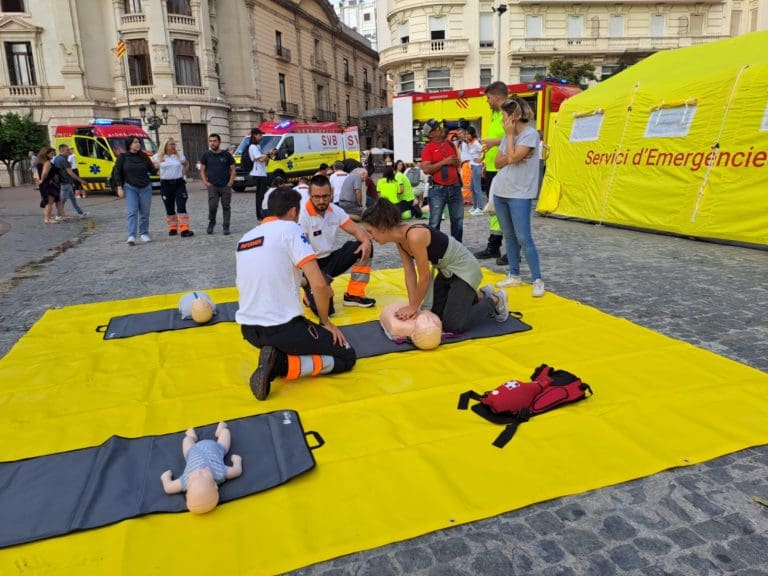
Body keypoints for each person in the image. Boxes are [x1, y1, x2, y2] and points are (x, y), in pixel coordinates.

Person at [235, 186, 356, 401]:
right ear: (293, 212)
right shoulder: (291, 230)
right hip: (282, 327)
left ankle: (275, 354)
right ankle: (280, 364)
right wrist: (325, 321)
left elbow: (275, 275)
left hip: (250, 330)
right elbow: (317, 283)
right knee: (346, 355)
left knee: (303, 341)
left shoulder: (245, 239)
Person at [361, 199, 509, 334]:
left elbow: (424, 276)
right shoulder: (399, 240)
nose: (370, 237)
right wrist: (414, 307)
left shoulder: (414, 236)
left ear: (381, 227)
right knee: (435, 315)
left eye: (370, 231)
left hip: (465, 270)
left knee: (453, 326)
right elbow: (410, 273)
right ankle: (480, 294)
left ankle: (495, 299)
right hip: (446, 272)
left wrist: (412, 307)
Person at [492, 97, 545, 298]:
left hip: (520, 194)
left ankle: (537, 278)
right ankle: (514, 274)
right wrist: (511, 153)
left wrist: (511, 150)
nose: (502, 121)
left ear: (513, 116)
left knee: (524, 237)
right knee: (509, 236)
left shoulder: (529, 135)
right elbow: (498, 162)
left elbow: (512, 158)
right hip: (501, 191)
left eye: (504, 116)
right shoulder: (509, 136)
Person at [299, 174, 376, 312]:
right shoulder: (302, 215)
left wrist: (365, 241)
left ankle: (354, 294)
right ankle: (308, 293)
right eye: (317, 197)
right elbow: (302, 252)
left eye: (325, 196)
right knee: (328, 312)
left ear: (332, 194)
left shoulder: (335, 211)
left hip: (328, 260)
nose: (321, 201)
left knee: (365, 246)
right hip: (310, 264)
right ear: (310, 195)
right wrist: (321, 282)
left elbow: (358, 231)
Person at [160, 421, 243, 515]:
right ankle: (220, 431)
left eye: (194, 477)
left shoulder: (185, 481)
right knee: (226, 433)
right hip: (217, 447)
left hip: (192, 451)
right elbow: (237, 471)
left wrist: (165, 477)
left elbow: (168, 487)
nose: (199, 471)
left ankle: (191, 436)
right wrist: (237, 461)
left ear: (187, 489)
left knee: (186, 441)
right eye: (204, 474)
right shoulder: (220, 473)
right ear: (215, 485)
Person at [475, 81, 508, 262]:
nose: (487, 101)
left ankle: (512, 249)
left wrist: (494, 142)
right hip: (492, 169)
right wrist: (486, 162)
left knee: (508, 210)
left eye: (488, 98)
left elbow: (516, 137)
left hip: (505, 168)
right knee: (494, 209)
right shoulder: (495, 114)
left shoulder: (510, 111)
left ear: (496, 96)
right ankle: (494, 245)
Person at [420, 119, 464, 242]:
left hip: (455, 187)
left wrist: (456, 162)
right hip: (438, 189)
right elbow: (426, 169)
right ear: (431, 134)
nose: (441, 129)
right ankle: (434, 249)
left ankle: (457, 248)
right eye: (438, 128)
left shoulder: (450, 144)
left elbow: (458, 162)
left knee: (458, 220)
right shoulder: (428, 149)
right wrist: (445, 162)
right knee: (435, 222)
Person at [114, 136, 158, 245]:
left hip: (145, 187)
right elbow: (117, 172)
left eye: (138, 142)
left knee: (145, 212)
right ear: (129, 144)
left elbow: (151, 170)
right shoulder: (123, 157)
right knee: (132, 212)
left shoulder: (144, 156)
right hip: (130, 187)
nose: (138, 144)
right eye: (135, 142)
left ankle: (144, 233)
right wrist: (119, 187)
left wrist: (158, 166)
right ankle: (131, 236)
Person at [153, 138, 194, 237]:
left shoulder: (179, 156)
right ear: (165, 145)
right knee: (169, 207)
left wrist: (182, 172)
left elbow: (186, 164)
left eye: (174, 144)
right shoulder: (157, 157)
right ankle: (173, 228)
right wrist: (160, 174)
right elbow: (152, 168)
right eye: (171, 144)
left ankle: (184, 229)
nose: (173, 146)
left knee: (181, 205)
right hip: (166, 185)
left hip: (179, 184)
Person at [199, 133, 236, 235]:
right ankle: (212, 221)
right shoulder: (206, 155)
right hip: (213, 186)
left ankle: (226, 226)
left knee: (226, 206)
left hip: (225, 186)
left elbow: (233, 170)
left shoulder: (227, 155)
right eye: (210, 141)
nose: (212, 143)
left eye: (215, 141)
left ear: (219, 142)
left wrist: (230, 182)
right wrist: (206, 182)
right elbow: (202, 170)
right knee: (213, 205)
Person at [53, 144, 88, 219]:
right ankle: (58, 215)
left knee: (73, 199)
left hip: (63, 182)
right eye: (67, 150)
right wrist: (81, 180)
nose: (68, 151)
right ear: (62, 150)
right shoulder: (64, 160)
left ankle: (81, 212)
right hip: (65, 182)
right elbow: (71, 173)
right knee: (63, 200)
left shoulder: (56, 158)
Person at [247, 128, 271, 219]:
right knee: (260, 196)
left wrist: (269, 155)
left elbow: (263, 159)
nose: (261, 136)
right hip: (258, 174)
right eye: (260, 135)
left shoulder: (258, 146)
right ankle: (260, 214)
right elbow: (260, 159)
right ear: (255, 135)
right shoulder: (252, 147)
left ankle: (262, 213)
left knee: (262, 195)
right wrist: (268, 155)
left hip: (262, 173)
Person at [461, 126, 484, 215]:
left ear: (472, 134)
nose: (466, 136)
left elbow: (484, 150)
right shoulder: (470, 143)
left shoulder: (476, 143)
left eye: (468, 134)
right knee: (472, 188)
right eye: (466, 134)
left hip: (477, 167)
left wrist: (481, 159)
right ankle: (475, 206)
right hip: (472, 166)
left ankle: (480, 208)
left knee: (477, 188)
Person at [36, 146, 63, 224]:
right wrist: (42, 180)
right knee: (49, 202)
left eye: (53, 153)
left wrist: (39, 181)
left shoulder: (40, 162)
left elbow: (37, 173)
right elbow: (44, 173)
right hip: (49, 184)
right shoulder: (47, 163)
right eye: (51, 153)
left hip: (45, 183)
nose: (53, 155)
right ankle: (47, 219)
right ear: (46, 154)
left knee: (47, 201)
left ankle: (49, 217)